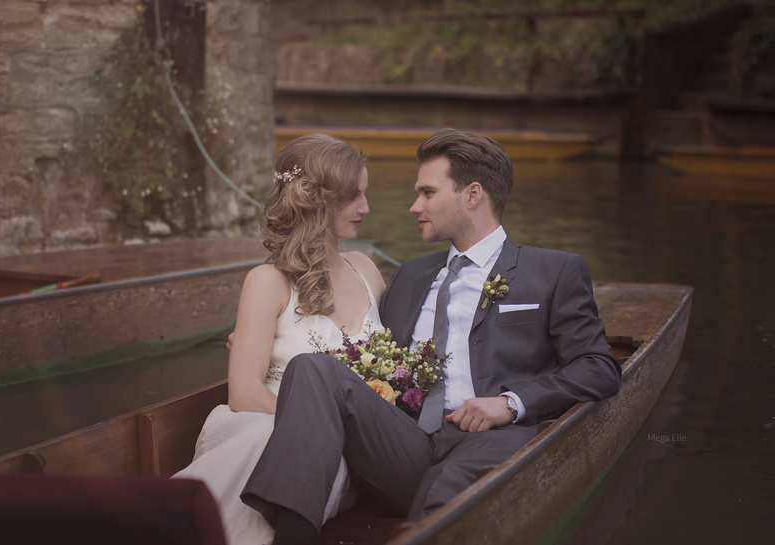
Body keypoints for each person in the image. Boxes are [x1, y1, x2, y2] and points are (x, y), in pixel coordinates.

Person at [239, 128, 623, 544]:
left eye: (427, 193)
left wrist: (510, 404)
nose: (413, 206)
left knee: (447, 494)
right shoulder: (408, 277)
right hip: (404, 442)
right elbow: (361, 349)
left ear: (472, 195)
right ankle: (293, 534)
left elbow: (599, 368)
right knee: (313, 367)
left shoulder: (554, 271)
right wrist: (265, 333)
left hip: (490, 439)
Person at [172, 133, 386, 545]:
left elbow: (397, 367)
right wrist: (323, 428)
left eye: (365, 194)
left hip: (350, 451)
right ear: (319, 200)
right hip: (270, 423)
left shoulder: (367, 270)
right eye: (353, 196)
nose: (366, 208)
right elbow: (244, 393)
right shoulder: (268, 282)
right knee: (268, 444)